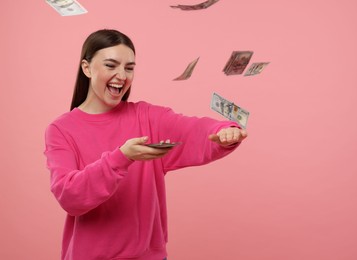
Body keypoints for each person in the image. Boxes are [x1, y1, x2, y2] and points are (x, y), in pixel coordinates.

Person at [44, 29, 248, 260]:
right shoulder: (61, 130)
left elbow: (194, 130)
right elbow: (70, 197)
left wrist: (225, 131)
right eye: (111, 65)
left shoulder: (147, 117)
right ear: (87, 68)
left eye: (129, 68)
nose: (122, 75)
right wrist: (121, 157)